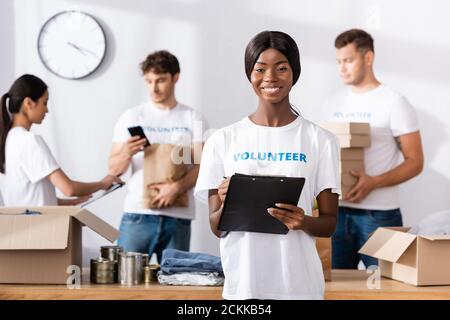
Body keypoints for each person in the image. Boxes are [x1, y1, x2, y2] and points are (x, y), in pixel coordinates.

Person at [194, 31, 340, 300]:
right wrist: (227, 201)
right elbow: (216, 227)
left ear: (294, 73)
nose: (270, 77)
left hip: (300, 288)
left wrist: (303, 221)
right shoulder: (221, 140)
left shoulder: (321, 141)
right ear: (250, 74)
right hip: (243, 288)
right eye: (260, 69)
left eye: (281, 68)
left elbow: (330, 224)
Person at [323, 29, 424, 269]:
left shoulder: (394, 102)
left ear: (368, 58)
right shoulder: (332, 102)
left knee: (386, 288)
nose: (342, 68)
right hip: (336, 214)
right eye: (339, 61)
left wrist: (373, 182)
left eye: (348, 60)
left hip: (380, 215)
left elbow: (415, 161)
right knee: (335, 289)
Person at [109, 50, 206, 263]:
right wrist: (126, 152)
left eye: (160, 80)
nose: (153, 88)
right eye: (149, 81)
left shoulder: (192, 118)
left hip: (178, 217)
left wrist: (176, 188)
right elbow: (113, 170)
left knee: (175, 284)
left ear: (175, 78)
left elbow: (203, 167)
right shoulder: (132, 116)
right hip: (137, 214)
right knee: (126, 285)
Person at [0, 74, 121, 206]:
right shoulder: (29, 140)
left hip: (20, 224)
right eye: (44, 103)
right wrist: (103, 184)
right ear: (28, 103)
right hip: (39, 225)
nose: (47, 110)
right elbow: (69, 188)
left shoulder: (9, 140)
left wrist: (71, 203)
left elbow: (26, 196)